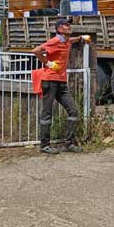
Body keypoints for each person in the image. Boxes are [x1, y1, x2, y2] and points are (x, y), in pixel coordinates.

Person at [31, 18, 91, 154]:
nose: (68, 26)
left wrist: (82, 37)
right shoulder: (55, 41)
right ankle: (44, 145)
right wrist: (47, 63)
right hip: (50, 80)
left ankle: (68, 144)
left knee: (73, 111)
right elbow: (36, 51)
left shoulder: (66, 41)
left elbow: (72, 40)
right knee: (47, 113)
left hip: (61, 82)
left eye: (69, 24)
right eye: (65, 25)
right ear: (58, 29)